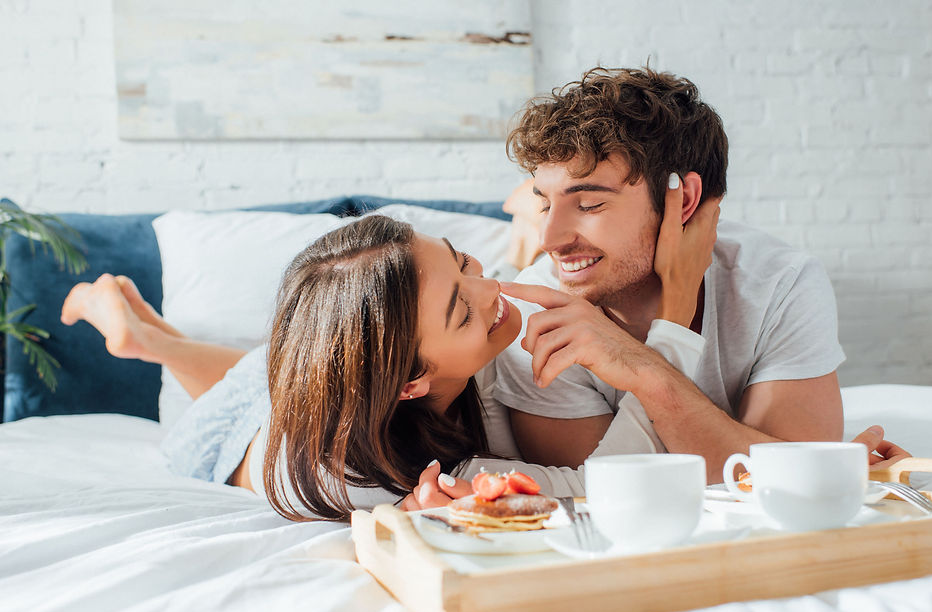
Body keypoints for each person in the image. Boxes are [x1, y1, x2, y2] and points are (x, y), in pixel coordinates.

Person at [61, 189, 734, 520]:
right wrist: (675, 312)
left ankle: (152, 336)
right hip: (229, 444)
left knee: (276, 367)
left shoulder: (394, 361)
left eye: (463, 262)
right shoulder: (371, 476)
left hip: (312, 382)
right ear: (410, 379)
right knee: (254, 382)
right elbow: (596, 487)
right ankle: (143, 340)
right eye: (462, 307)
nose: (489, 287)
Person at [463, 66, 907, 487]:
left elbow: (790, 491)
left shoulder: (779, 283)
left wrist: (643, 366)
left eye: (589, 204)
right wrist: (778, 461)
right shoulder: (537, 312)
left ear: (685, 200)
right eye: (544, 202)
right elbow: (598, 495)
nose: (550, 239)